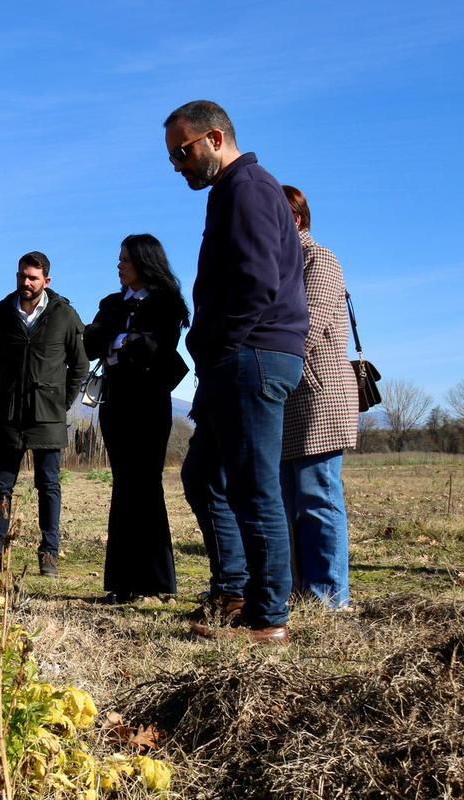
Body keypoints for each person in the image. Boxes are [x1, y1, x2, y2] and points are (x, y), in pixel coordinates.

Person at [164, 101, 309, 645]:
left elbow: (256, 282)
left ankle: (269, 618)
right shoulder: (233, 191)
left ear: (216, 138)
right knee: (204, 477)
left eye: (183, 151)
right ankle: (234, 591)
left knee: (253, 487)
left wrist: (218, 344)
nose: (178, 164)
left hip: (252, 355)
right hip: (239, 358)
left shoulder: (247, 188)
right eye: (172, 156)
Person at [83, 234, 190, 603]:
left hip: (149, 404)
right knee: (122, 484)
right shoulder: (110, 303)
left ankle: (157, 580)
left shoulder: (166, 304)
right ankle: (122, 583)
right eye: (119, 258)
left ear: (144, 262)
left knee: (146, 484)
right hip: (116, 405)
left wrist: (119, 340)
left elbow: (155, 346)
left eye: (125, 259)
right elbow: (90, 341)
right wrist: (123, 341)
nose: (119, 265)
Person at [0, 251, 87, 577]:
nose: (26, 282)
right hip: (10, 410)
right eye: (22, 275)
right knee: (0, 485)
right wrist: (9, 386)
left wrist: (60, 401)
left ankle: (49, 554)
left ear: (46, 281)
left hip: (48, 414)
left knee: (48, 484)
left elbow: (79, 365)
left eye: (33, 277)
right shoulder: (1, 313)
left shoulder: (64, 315)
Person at [280, 185, 358, 609]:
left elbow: (305, 328)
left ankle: (331, 598)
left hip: (318, 397)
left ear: (294, 219)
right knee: (291, 501)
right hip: (288, 396)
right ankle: (300, 592)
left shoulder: (319, 259)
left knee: (318, 496)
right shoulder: (279, 267)